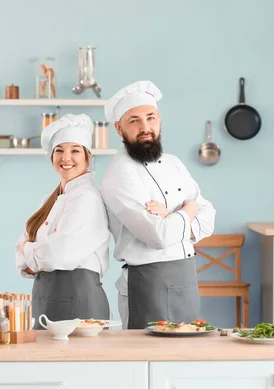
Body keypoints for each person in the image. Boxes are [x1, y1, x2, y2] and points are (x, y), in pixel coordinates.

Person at [101, 80, 216, 329]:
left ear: (159, 120)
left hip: (186, 277)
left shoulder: (173, 163)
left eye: (151, 118)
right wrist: (187, 210)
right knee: (149, 360)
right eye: (134, 121)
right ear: (119, 129)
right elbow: (158, 236)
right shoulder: (120, 174)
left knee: (185, 359)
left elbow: (209, 219)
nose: (145, 127)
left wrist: (172, 218)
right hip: (148, 282)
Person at [14, 113, 112, 326]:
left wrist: (28, 250)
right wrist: (33, 254)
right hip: (46, 301)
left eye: (75, 151)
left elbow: (59, 253)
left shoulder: (87, 198)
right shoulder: (48, 201)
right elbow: (22, 261)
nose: (66, 158)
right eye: (59, 151)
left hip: (78, 302)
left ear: (88, 157)